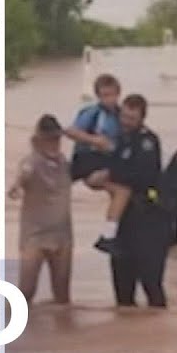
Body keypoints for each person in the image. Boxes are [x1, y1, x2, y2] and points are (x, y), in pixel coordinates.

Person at [104, 94, 169, 308]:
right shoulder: (119, 139)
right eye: (124, 116)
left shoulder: (148, 141)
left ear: (142, 118)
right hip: (124, 219)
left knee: (151, 283)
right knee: (122, 285)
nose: (126, 122)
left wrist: (110, 177)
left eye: (131, 118)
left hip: (148, 219)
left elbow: (143, 176)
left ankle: (158, 332)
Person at [8, 114, 74, 306]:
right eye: (49, 140)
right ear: (38, 140)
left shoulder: (65, 164)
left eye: (57, 139)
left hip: (62, 236)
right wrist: (17, 186)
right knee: (25, 292)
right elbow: (23, 176)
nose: (54, 144)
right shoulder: (31, 162)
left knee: (62, 299)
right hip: (35, 237)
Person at [64, 74, 129, 252]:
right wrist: (95, 140)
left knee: (122, 190)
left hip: (107, 161)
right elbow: (70, 131)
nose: (109, 99)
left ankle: (112, 232)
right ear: (98, 96)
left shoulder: (122, 114)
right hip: (87, 159)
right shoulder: (92, 112)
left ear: (118, 94)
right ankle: (109, 235)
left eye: (112, 95)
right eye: (104, 95)